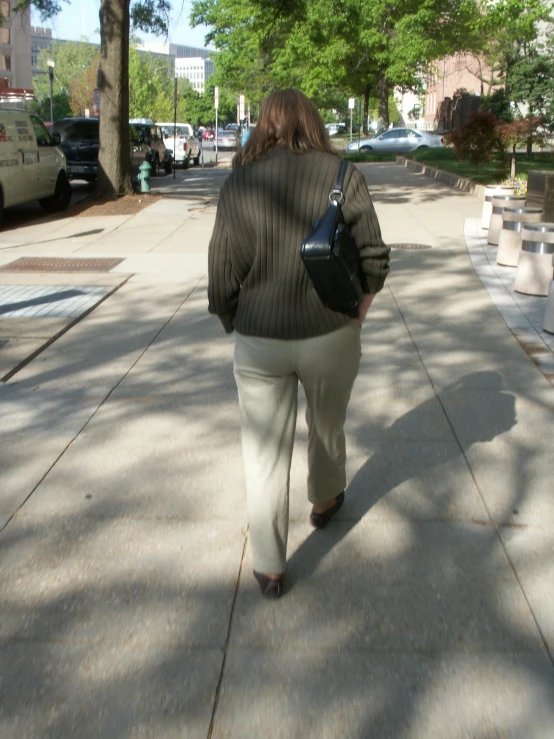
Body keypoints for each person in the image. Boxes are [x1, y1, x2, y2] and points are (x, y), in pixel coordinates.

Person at [208, 89, 390, 598]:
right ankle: (326, 499)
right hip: (331, 331)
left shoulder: (237, 184)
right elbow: (375, 258)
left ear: (262, 125)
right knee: (327, 424)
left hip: (259, 338)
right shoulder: (342, 176)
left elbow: (222, 274)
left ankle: (269, 567)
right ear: (312, 122)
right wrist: (357, 318)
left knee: (263, 452)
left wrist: (234, 321)